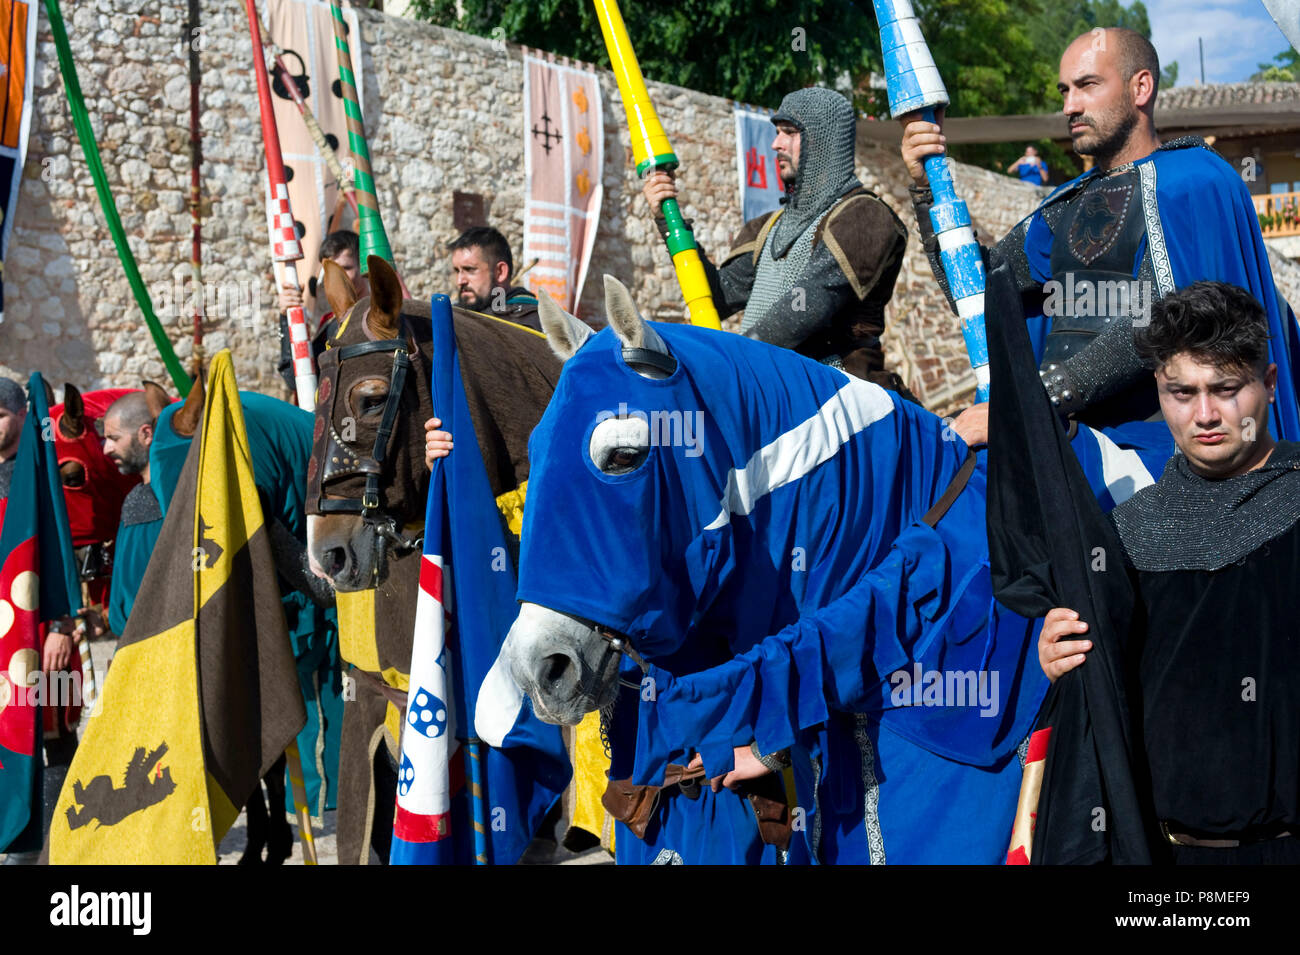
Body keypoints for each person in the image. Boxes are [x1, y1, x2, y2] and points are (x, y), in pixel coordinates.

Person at [899, 27, 1300, 458]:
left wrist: (1030, 403)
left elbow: (1160, 318)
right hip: (1062, 433)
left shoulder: (1192, 183)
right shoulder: (1068, 202)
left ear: (1140, 87)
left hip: (1160, 449)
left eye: (1087, 85)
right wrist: (928, 190)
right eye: (1064, 90)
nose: (1070, 105)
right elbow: (976, 291)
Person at [1037, 281, 1300, 863]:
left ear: (1271, 385)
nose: (1204, 414)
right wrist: (1060, 661)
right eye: (1182, 392)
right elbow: (1106, 711)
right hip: (1171, 863)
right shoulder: (1127, 533)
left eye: (1226, 390)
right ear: (1159, 391)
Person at [643, 86, 914, 393]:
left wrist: (725, 364)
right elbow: (717, 299)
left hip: (839, 395)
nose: (775, 144)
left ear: (824, 140)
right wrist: (669, 219)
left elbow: (804, 307)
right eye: (776, 132)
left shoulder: (866, 217)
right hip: (773, 389)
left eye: (789, 132)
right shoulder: (766, 227)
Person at [276, 230, 370, 395]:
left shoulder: (380, 317)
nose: (337, 278)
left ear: (363, 267)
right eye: (331, 271)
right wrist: (287, 317)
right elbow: (293, 378)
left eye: (345, 268)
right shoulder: (329, 324)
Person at [102, 390, 164, 636]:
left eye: (113, 438)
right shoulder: (135, 496)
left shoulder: (172, 495)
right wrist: (106, 616)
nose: (106, 449)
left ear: (146, 434)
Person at [449, 226, 541, 331]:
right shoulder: (452, 315)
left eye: (470, 269)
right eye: (457, 271)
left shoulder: (530, 322)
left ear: (500, 272)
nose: (460, 281)